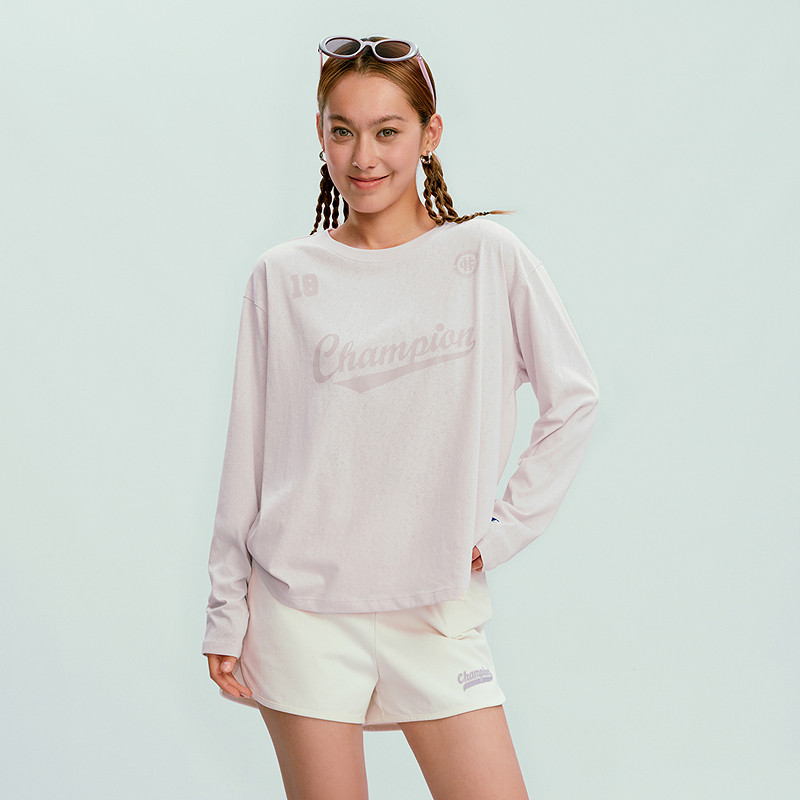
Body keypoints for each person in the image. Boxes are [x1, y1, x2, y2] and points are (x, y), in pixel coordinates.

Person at [202, 34, 600, 800]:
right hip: (301, 610)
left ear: (429, 133)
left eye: (387, 131)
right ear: (320, 134)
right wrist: (225, 611)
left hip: (435, 606)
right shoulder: (283, 277)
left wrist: (504, 529)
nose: (363, 157)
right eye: (343, 131)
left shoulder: (487, 258)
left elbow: (574, 397)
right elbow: (247, 456)